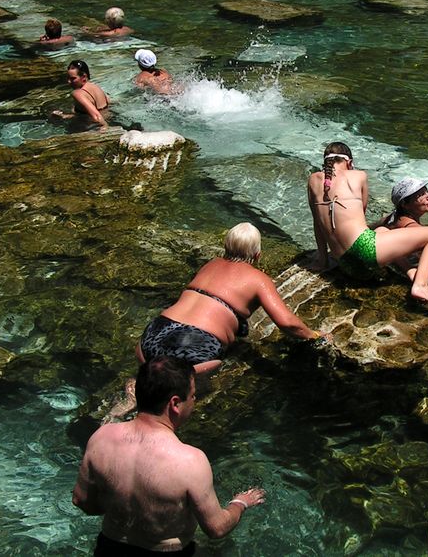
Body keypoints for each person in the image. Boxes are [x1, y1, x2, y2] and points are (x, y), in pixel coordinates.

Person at [73, 356, 267, 555]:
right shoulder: (189, 460)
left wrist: (122, 506)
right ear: (175, 403)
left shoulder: (102, 437)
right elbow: (216, 528)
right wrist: (240, 503)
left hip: (109, 548)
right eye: (192, 396)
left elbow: (81, 501)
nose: (194, 401)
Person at [136, 223, 323, 374]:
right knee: (196, 374)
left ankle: (131, 393)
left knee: (149, 376)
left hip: (154, 333)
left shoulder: (211, 264)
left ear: (226, 246)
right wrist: (315, 336)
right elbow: (287, 323)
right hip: (194, 344)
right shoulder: (259, 279)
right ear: (258, 255)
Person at [308, 142, 428, 302]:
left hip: (346, 264)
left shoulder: (312, 180)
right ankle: (420, 286)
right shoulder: (359, 175)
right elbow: (362, 215)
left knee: (383, 231)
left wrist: (323, 260)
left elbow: (318, 223)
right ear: (349, 163)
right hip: (364, 254)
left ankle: (410, 271)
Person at [373, 177, 428, 281]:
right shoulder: (410, 226)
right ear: (404, 204)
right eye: (421, 195)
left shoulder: (392, 217)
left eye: (427, 191)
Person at [51, 59, 110, 131]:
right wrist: (64, 116)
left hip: (92, 124)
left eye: (73, 78)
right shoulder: (96, 87)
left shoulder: (77, 93)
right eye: (68, 78)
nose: (69, 82)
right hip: (109, 116)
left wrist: (104, 127)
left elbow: (96, 116)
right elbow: (108, 103)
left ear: (84, 77)